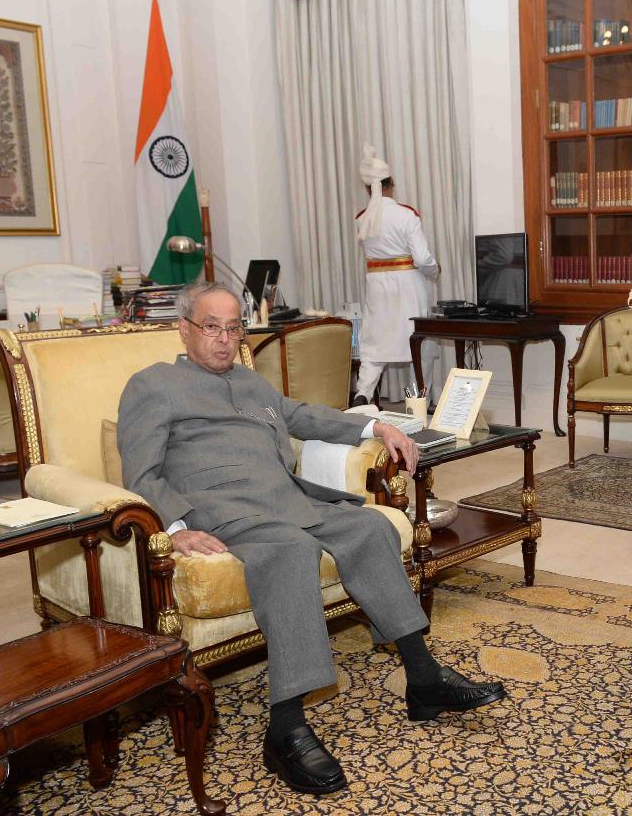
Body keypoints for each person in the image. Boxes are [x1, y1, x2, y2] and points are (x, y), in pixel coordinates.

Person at [118, 282, 505, 796]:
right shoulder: (153, 385)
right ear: (184, 329)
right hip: (226, 512)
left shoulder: (251, 383)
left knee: (369, 526)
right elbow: (141, 473)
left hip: (290, 501)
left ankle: (424, 678)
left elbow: (301, 416)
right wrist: (177, 528)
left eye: (234, 329)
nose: (225, 339)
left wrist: (375, 427)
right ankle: (285, 728)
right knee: (292, 551)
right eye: (212, 327)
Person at [353, 143, 439, 407]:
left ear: (368, 188)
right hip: (407, 286)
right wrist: (435, 270)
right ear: (391, 183)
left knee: (375, 344)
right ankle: (418, 402)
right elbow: (422, 258)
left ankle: (362, 394)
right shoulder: (406, 215)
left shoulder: (362, 218)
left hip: (377, 287)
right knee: (418, 344)